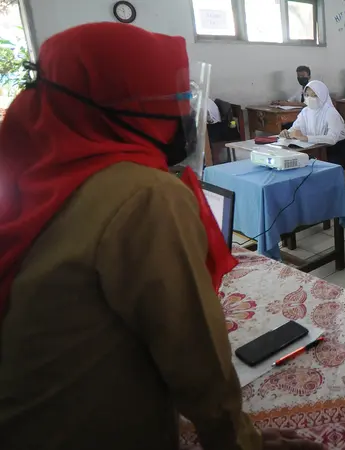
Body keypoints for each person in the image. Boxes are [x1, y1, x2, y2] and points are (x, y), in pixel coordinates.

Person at [0, 23, 322, 450]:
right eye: (171, 94)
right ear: (124, 104)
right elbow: (195, 356)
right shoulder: (144, 195)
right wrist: (244, 443)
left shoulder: (31, 175)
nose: (184, 109)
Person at [279, 80, 345, 145]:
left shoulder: (330, 112)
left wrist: (307, 138)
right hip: (309, 147)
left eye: (314, 95)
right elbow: (295, 128)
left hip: (330, 150)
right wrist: (287, 133)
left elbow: (332, 138)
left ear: (322, 96)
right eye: (307, 95)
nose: (310, 98)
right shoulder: (305, 111)